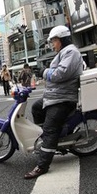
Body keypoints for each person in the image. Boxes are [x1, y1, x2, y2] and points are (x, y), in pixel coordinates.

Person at [25, 25, 82, 180]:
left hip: (63, 99)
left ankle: (42, 166)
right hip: (54, 96)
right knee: (36, 107)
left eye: (54, 41)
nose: (52, 45)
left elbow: (59, 74)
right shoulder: (64, 52)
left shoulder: (71, 52)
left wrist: (44, 72)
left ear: (62, 39)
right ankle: (49, 140)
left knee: (50, 129)